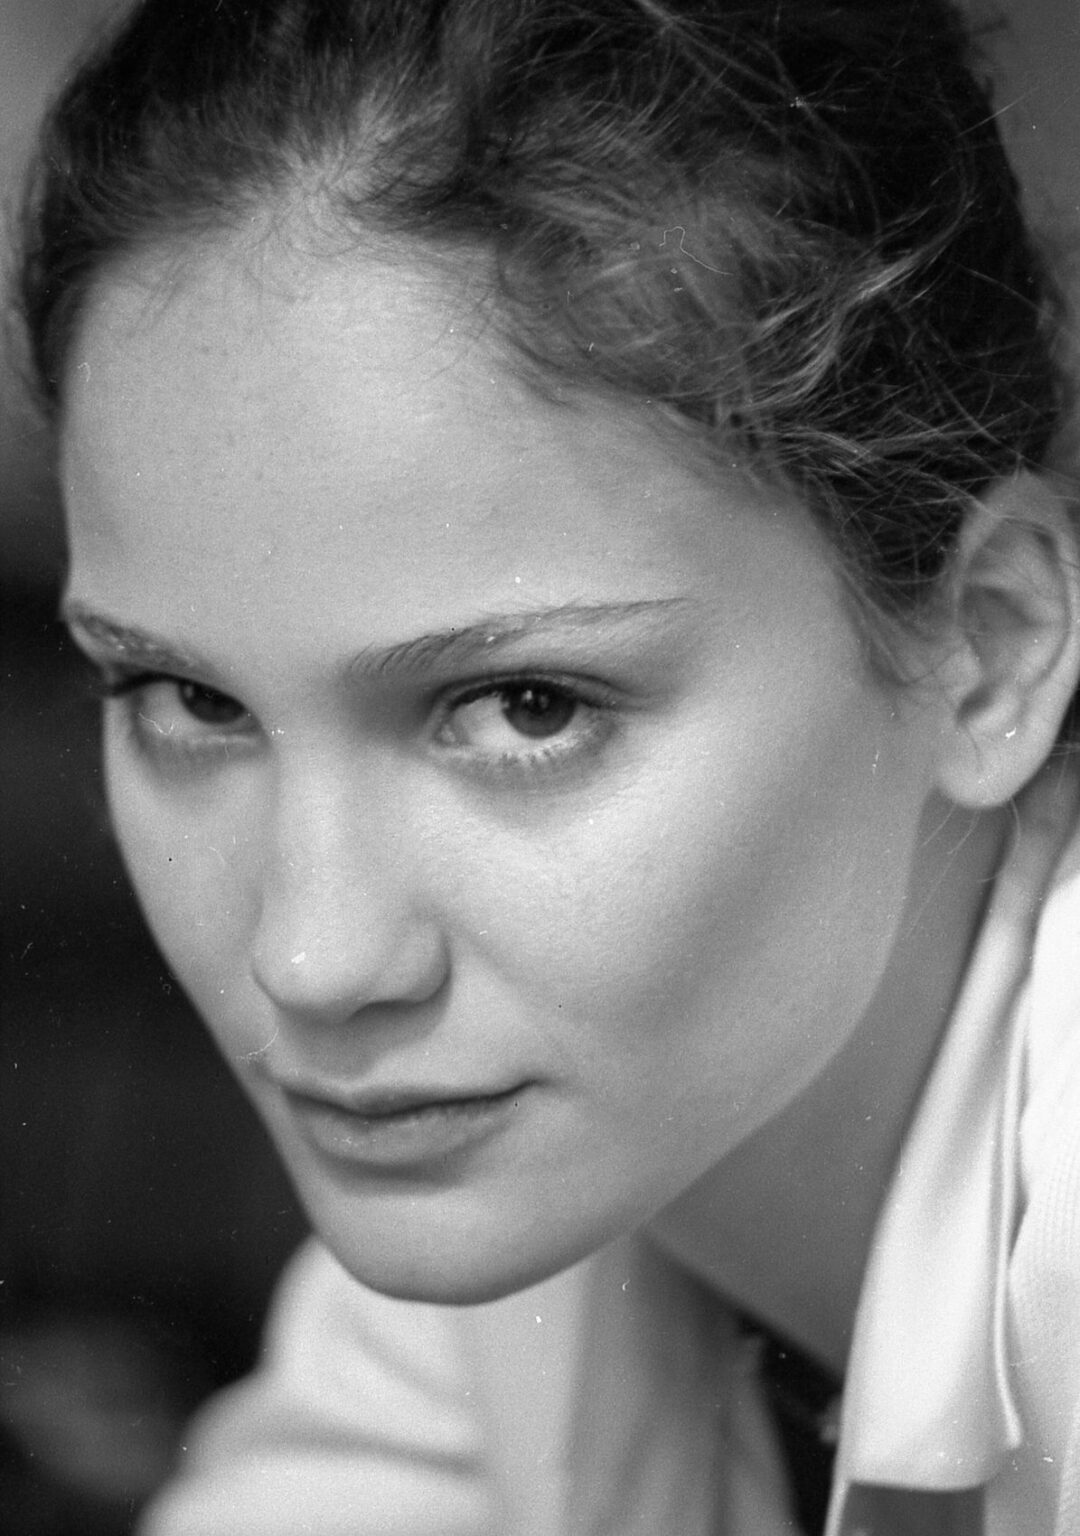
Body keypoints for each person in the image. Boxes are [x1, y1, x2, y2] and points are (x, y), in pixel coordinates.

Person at [16, 0, 1079, 1531]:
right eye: (187, 699)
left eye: (526, 708)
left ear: (991, 648)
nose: (314, 961)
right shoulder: (515, 1241)